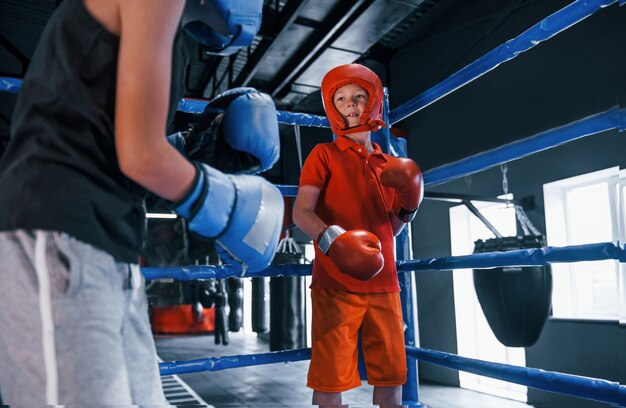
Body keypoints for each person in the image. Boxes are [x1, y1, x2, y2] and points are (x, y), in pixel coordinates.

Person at [0, 0, 283, 405]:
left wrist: (191, 149)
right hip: (57, 233)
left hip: (107, 242)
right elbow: (141, 156)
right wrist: (229, 204)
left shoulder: (173, 38)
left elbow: (112, 149)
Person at [293, 63, 424, 407]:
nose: (350, 103)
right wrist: (335, 242)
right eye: (341, 98)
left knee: (392, 377)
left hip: (384, 283)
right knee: (329, 380)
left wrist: (409, 203)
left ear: (373, 102)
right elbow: (301, 211)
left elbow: (391, 229)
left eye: (358, 96)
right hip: (334, 282)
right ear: (332, 107)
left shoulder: (388, 164)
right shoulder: (324, 154)